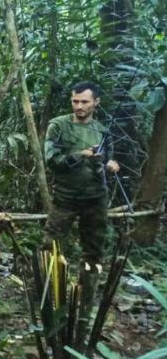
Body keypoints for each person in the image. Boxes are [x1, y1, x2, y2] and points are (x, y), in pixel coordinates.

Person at [43, 81, 120, 342]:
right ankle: (52, 303)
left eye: (85, 102)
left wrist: (109, 164)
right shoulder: (59, 125)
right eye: (75, 101)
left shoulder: (102, 130)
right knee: (51, 248)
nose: (79, 106)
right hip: (65, 198)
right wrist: (81, 155)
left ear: (96, 102)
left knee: (94, 252)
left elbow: (106, 157)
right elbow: (52, 161)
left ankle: (86, 304)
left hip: (95, 199)